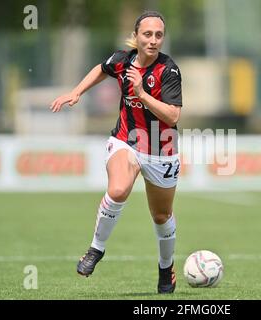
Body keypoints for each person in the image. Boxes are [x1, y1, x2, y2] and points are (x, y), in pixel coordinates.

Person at [50, 10, 182, 294]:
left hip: (162, 150)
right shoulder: (122, 60)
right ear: (136, 36)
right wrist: (77, 92)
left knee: (161, 215)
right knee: (119, 189)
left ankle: (165, 266)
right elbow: (101, 68)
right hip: (126, 140)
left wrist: (143, 94)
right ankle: (96, 250)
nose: (153, 40)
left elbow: (172, 116)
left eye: (158, 35)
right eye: (147, 34)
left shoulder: (168, 70)